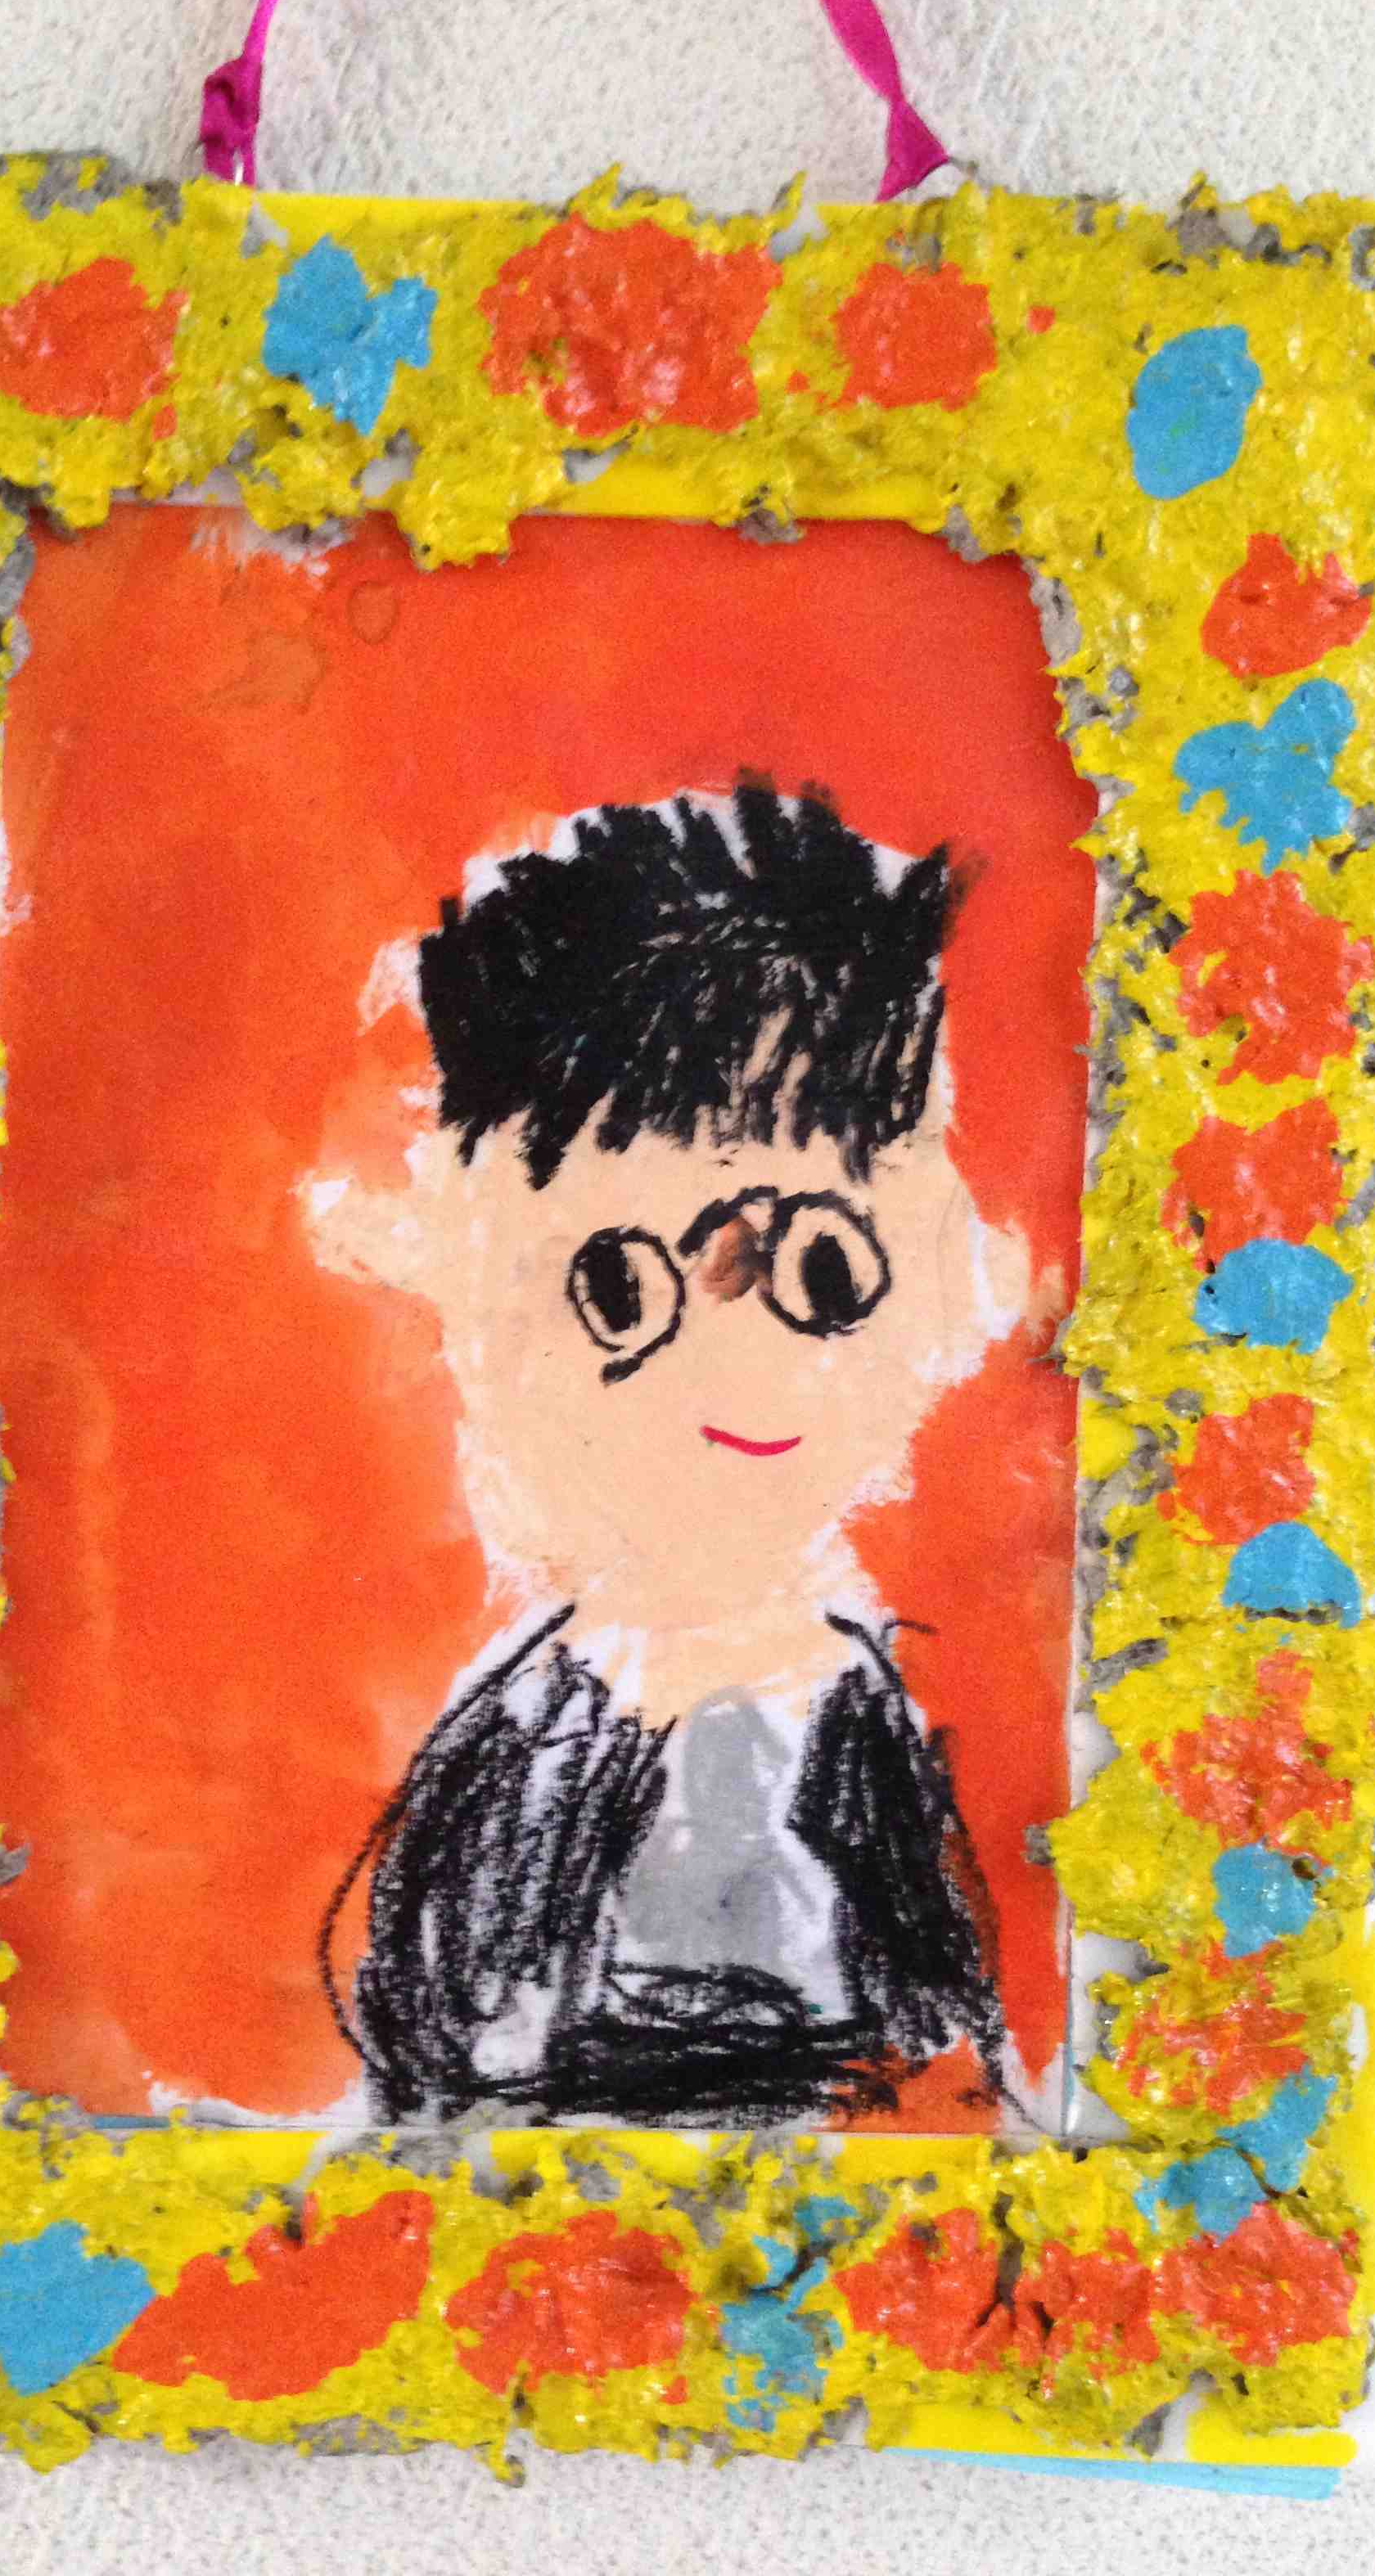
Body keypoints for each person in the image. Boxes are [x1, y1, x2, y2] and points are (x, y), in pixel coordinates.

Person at [309, 772, 1034, 2127]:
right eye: (621, 1290)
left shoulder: (867, 1729)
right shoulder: (529, 1727)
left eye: (819, 1274)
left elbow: (940, 2069)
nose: (730, 1366)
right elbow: (426, 2034)